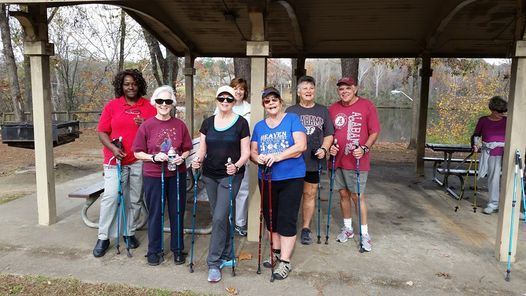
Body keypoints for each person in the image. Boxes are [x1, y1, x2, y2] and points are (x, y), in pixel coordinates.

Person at [93, 69, 157, 258]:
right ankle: (103, 237)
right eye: (127, 83)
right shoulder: (112, 106)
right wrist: (113, 149)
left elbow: (156, 134)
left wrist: (145, 124)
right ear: (121, 86)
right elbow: (102, 131)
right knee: (111, 197)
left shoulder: (149, 107)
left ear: (140, 85)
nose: (131, 87)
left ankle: (129, 233)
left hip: (138, 160)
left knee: (135, 199)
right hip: (115, 160)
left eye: (134, 83)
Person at [191, 86, 250, 283]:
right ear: (216, 100)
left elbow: (246, 153)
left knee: (218, 218)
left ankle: (213, 263)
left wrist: (237, 166)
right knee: (220, 215)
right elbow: (202, 150)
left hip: (230, 176)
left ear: (234, 101)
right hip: (210, 175)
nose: (225, 101)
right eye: (221, 98)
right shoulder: (208, 122)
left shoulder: (241, 123)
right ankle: (225, 253)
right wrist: (197, 161)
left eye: (229, 99)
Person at [132, 85, 193, 266]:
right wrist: (153, 157)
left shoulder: (179, 125)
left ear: (172, 103)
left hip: (176, 174)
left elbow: (188, 148)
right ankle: (154, 250)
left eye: (168, 101)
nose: (164, 104)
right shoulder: (146, 125)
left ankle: (177, 249)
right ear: (154, 103)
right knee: (156, 213)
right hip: (153, 174)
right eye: (160, 101)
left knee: (177, 211)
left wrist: (182, 157)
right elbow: (137, 152)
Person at [251, 86, 307, 280]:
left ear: (280, 102)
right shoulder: (259, 126)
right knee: (271, 218)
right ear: (264, 105)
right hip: (267, 178)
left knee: (287, 218)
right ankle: (275, 252)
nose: (271, 103)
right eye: (267, 101)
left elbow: (301, 146)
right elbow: (253, 151)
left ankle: (285, 261)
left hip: (291, 177)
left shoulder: (292, 119)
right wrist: (258, 158)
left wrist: (277, 156)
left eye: (274, 100)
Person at [328, 77, 380, 252]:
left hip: (357, 160)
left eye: (348, 88)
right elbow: (329, 134)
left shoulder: (367, 106)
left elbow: (374, 131)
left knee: (357, 196)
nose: (344, 91)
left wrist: (365, 148)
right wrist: (330, 149)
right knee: (343, 194)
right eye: (341, 89)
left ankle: (365, 234)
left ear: (355, 89)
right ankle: (348, 228)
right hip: (338, 160)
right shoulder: (333, 109)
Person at [286, 75, 334, 245]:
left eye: (311, 88)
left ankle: (306, 228)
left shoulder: (322, 111)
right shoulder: (290, 111)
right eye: (304, 88)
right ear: (298, 92)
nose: (308, 91)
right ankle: (289, 227)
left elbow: (329, 134)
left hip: (313, 162)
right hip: (293, 161)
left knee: (309, 194)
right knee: (291, 196)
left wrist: (324, 148)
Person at [215, 78, 251, 236]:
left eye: (241, 89)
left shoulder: (250, 109)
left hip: (243, 155)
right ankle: (225, 221)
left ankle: (240, 223)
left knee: (242, 189)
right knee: (224, 189)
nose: (238, 91)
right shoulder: (221, 107)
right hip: (223, 155)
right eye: (235, 88)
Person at [471, 96, 507, 215]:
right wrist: (475, 145)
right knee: (494, 178)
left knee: (512, 178)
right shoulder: (483, 120)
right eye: (500, 112)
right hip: (491, 152)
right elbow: (476, 135)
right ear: (493, 110)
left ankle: (512, 208)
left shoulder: (507, 120)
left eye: (504, 112)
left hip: (507, 151)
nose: (502, 114)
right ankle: (493, 203)